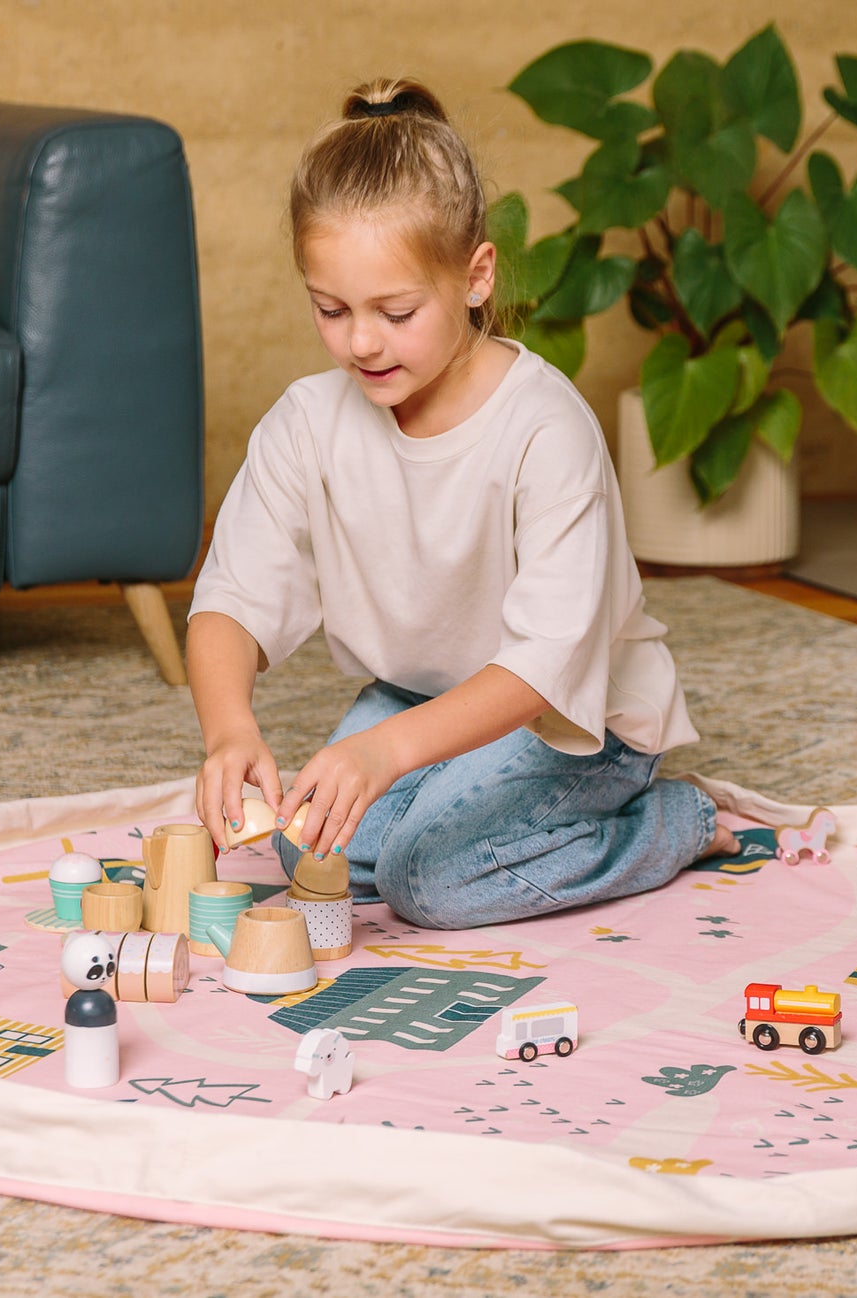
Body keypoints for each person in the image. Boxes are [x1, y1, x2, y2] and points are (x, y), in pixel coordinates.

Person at [186, 77, 736, 931]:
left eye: (396, 312)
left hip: (570, 718)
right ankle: (451, 808)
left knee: (429, 882)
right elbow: (230, 599)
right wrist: (230, 730)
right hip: (419, 699)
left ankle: (674, 821)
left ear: (477, 277)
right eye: (330, 309)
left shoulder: (545, 427)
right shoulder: (306, 422)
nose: (360, 341)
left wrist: (383, 753)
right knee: (309, 849)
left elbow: (545, 666)